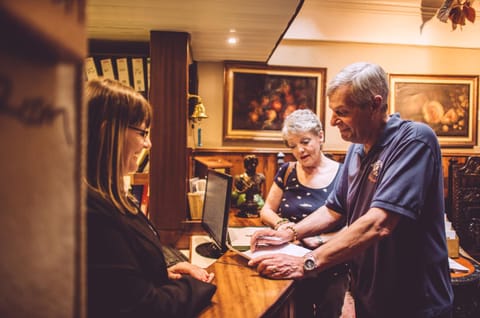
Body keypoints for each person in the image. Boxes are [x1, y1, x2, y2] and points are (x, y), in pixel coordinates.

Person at [249, 62, 454, 318]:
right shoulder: (356, 148)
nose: (334, 121)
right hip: (371, 295)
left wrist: (307, 262)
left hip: (414, 302)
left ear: (374, 104)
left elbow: (379, 223)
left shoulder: (414, 141)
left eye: (342, 112)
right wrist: (289, 232)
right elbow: (334, 209)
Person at [86, 78, 216, 318]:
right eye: (142, 133)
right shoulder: (92, 213)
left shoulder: (109, 198)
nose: (148, 142)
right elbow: (143, 308)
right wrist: (201, 285)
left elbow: (118, 281)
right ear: (108, 132)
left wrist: (162, 272)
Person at [259, 109, 349, 318]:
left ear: (321, 137)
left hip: (331, 264)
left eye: (305, 141)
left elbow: (354, 226)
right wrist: (283, 226)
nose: (299, 150)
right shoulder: (287, 170)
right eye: (292, 146)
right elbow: (266, 210)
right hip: (290, 262)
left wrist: (318, 239)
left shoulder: (344, 174)